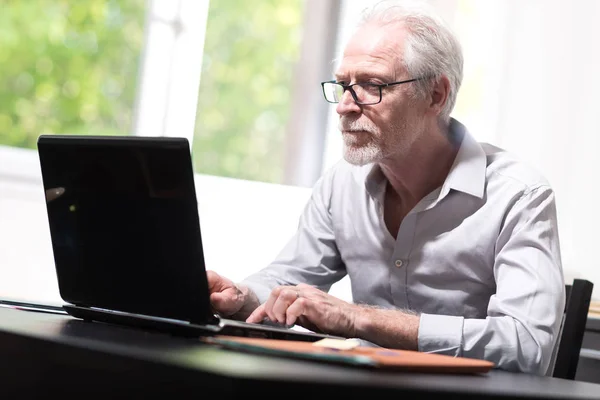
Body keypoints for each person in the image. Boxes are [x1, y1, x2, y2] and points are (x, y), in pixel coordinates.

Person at [206, 0, 565, 375]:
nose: (345, 106)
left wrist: (359, 319)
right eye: (344, 85)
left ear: (436, 95)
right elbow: (287, 282)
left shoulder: (519, 196)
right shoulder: (342, 183)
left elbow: (527, 346)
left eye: (371, 85)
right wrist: (240, 298)